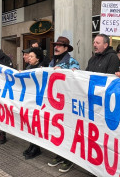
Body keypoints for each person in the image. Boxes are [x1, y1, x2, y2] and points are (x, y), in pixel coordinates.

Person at [47, 36, 79, 173]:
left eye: (59, 45)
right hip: (54, 102)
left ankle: (68, 159)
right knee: (57, 129)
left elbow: (76, 81)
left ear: (66, 48)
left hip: (67, 103)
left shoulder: (73, 63)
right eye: (55, 45)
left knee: (68, 130)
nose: (56, 47)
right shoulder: (52, 62)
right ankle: (59, 154)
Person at [22, 47, 46, 160]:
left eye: (31, 56)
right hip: (29, 101)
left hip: (38, 103)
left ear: (38, 58)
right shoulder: (28, 67)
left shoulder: (42, 69)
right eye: (29, 56)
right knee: (30, 125)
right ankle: (31, 145)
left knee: (37, 125)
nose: (29, 58)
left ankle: (37, 148)